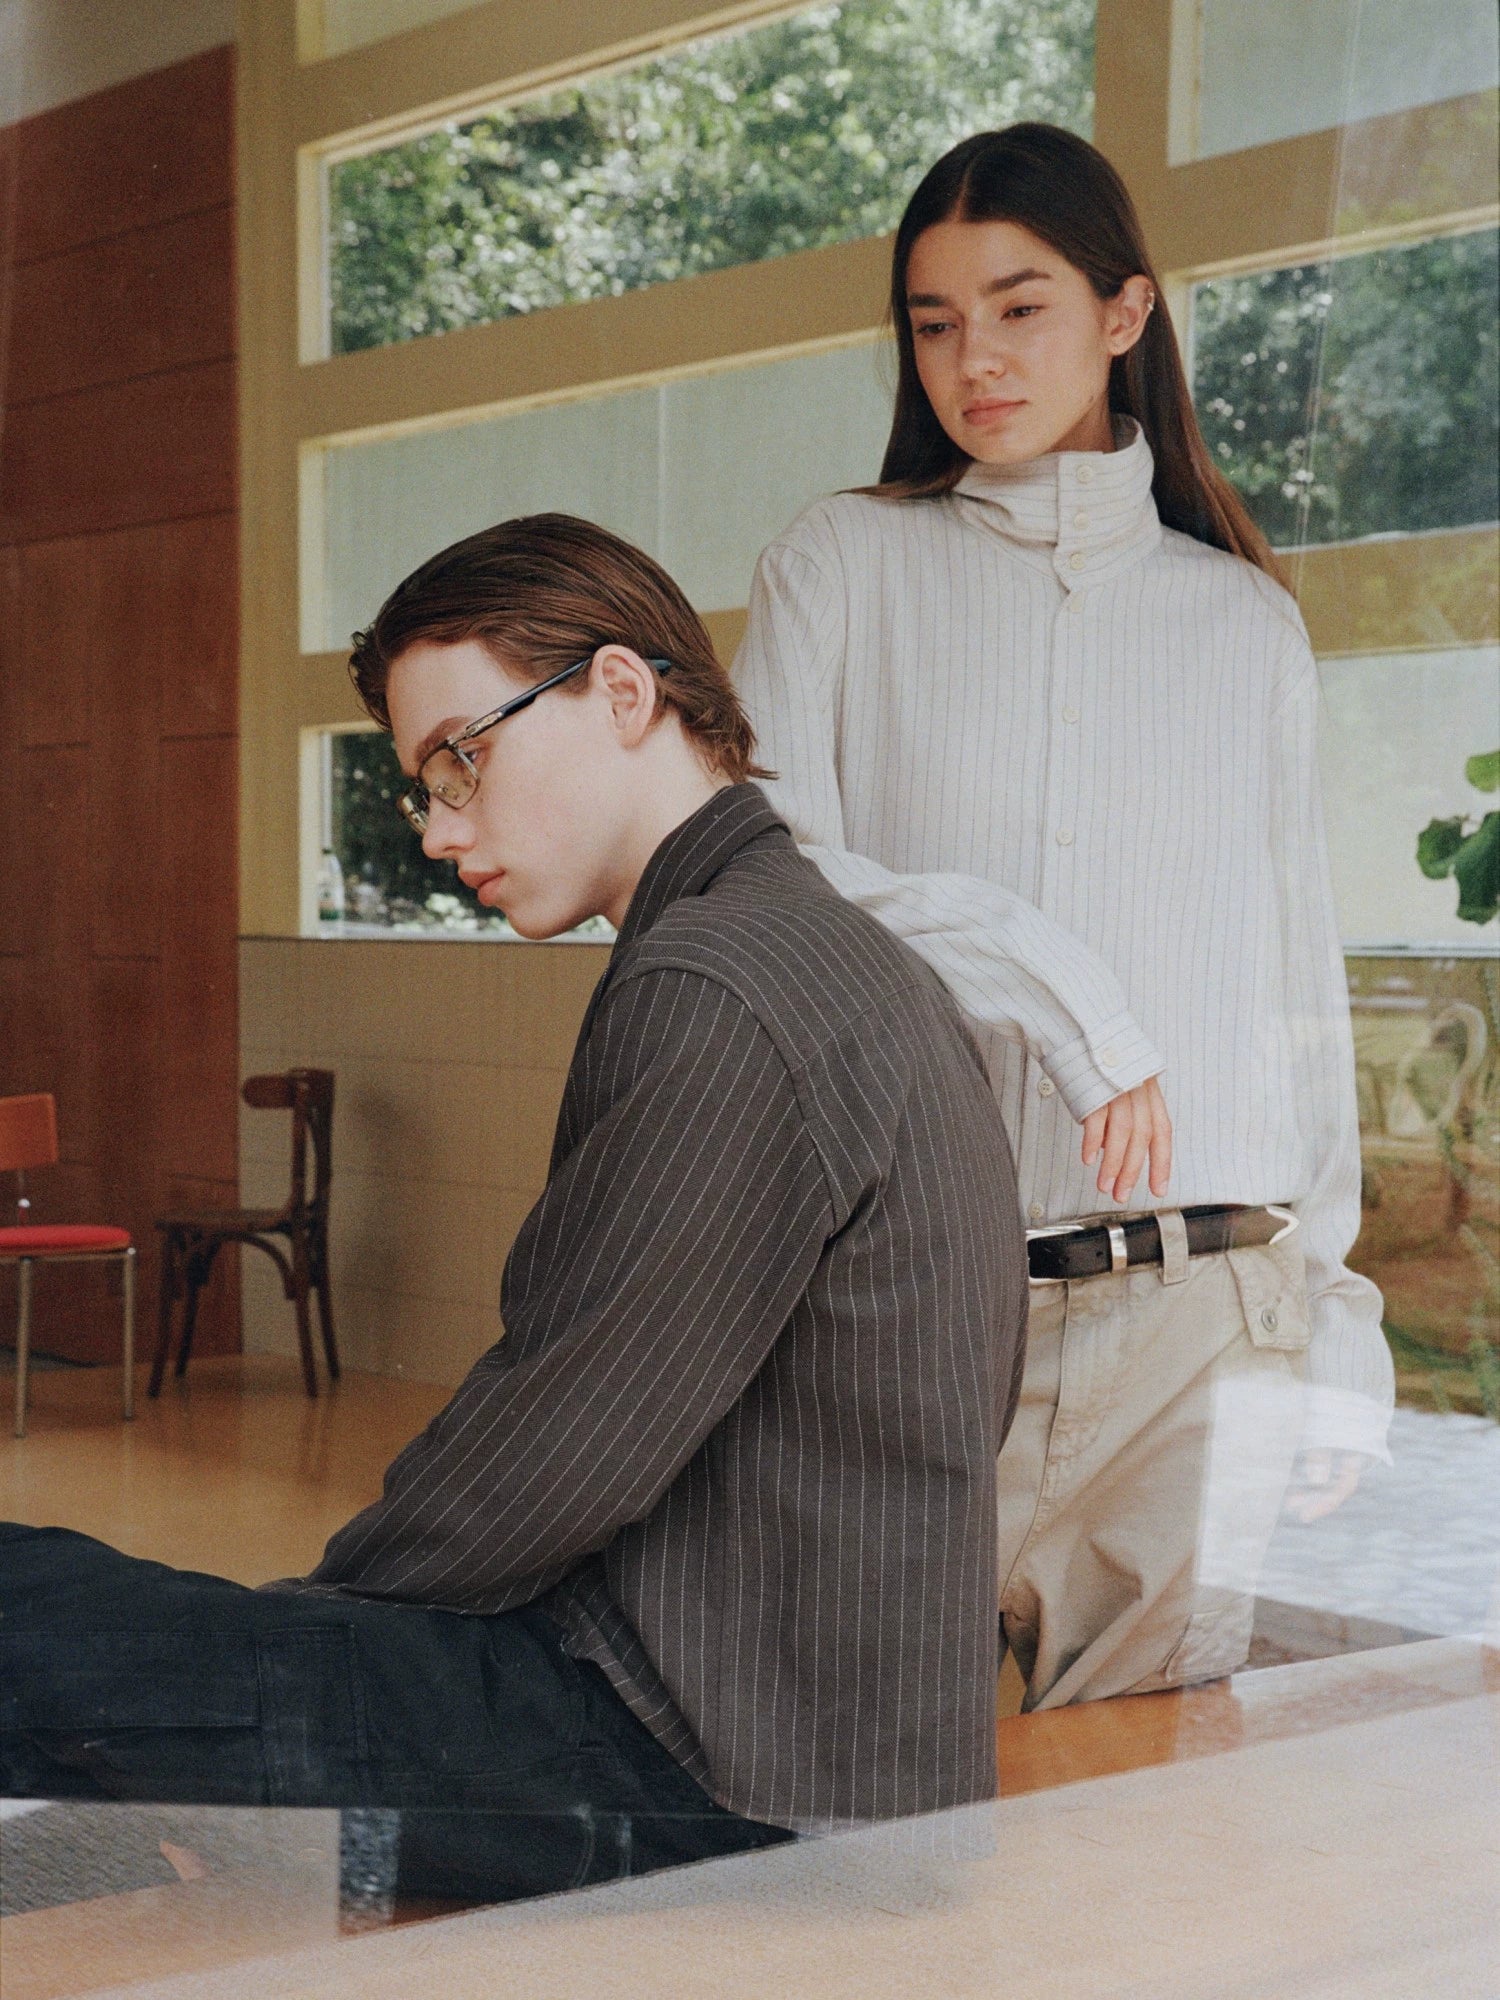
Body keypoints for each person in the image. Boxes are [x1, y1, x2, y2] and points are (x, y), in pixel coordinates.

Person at [1, 515, 1027, 1901]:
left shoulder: (722, 980)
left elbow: (558, 1446)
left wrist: (303, 1649)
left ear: (623, 691)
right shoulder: (814, 948)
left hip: (712, 1781)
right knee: (109, 1711)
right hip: (805, 1762)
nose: (439, 830)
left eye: (461, 760)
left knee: (33, 1617)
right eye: (424, 787)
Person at [734, 123, 1393, 1713]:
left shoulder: (1246, 626)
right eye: (935, 322)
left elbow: (1294, 990)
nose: (975, 358)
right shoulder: (841, 564)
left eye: (1019, 308)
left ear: (1124, 312)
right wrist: (1053, 982)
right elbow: (762, 878)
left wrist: (1339, 1324)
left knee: (1137, 1834)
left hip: (1197, 1334)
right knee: (866, 1813)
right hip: (911, 1307)